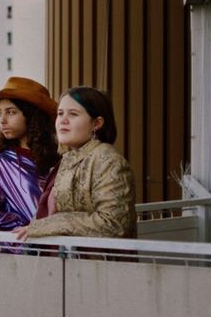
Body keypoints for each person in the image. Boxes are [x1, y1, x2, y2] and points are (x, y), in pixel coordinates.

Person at [14, 86, 137, 239]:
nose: (63, 120)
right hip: (63, 259)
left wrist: (54, 224)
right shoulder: (66, 159)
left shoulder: (109, 161)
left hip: (98, 261)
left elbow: (114, 223)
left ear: (96, 123)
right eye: (60, 113)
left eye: (73, 114)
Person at [0, 77, 60, 231]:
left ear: (32, 116)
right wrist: (20, 224)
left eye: (11, 112)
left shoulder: (59, 159)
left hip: (60, 246)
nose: (2, 120)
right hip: (23, 248)